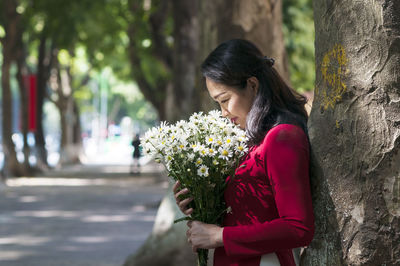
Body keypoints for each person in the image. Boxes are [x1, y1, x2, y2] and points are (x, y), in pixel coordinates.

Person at [173, 39, 314, 266]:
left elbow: (298, 227)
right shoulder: (248, 139)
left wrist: (219, 236)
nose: (223, 112)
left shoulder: (282, 137)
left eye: (225, 100)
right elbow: (246, 210)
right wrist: (199, 202)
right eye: (218, 103)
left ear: (252, 85)